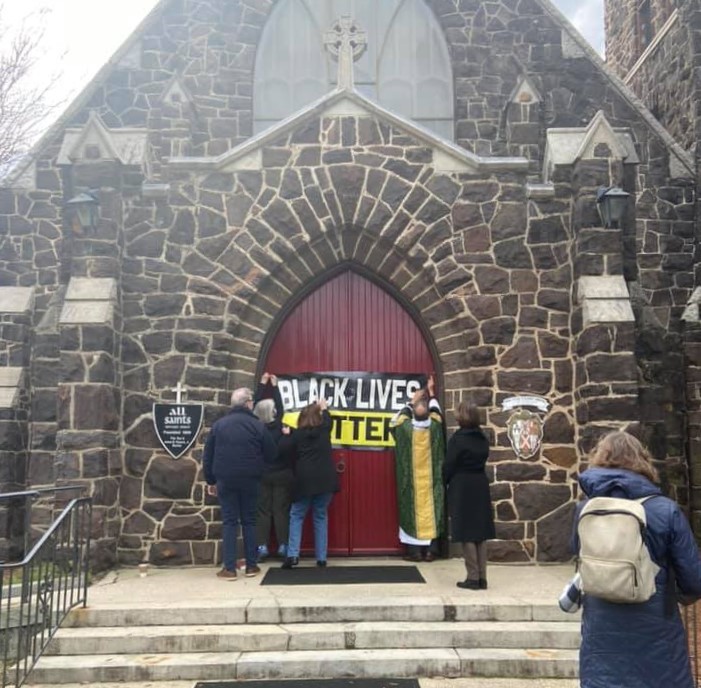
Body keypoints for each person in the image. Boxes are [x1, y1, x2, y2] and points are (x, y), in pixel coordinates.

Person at [573, 430, 701, 688]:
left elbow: (579, 560)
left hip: (602, 639)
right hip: (658, 640)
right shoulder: (666, 510)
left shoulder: (584, 510)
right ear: (642, 460)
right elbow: (694, 582)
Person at [203, 387, 276, 580]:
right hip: (251, 479)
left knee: (229, 522)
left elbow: (208, 455)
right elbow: (271, 453)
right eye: (251, 400)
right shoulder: (258, 426)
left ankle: (229, 569)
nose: (253, 403)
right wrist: (260, 470)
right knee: (249, 521)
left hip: (225, 479)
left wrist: (211, 480)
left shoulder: (219, 425)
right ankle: (251, 566)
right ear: (247, 404)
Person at [390, 375, 445, 562]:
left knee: (411, 512)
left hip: (411, 481)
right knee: (432, 511)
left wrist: (411, 401)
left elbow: (395, 421)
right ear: (428, 413)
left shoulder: (405, 429)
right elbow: (437, 412)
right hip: (431, 482)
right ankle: (431, 551)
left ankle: (414, 552)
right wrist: (431, 392)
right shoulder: (435, 427)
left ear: (413, 412)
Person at [443, 399, 495, 590]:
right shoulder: (483, 437)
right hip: (480, 484)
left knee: (467, 532)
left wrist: (445, 480)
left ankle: (472, 577)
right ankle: (482, 577)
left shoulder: (458, 439)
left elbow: (449, 464)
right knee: (480, 533)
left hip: (462, 485)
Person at [281, 398, 339, 569]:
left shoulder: (296, 435)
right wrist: (324, 407)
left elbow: (287, 454)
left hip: (304, 481)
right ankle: (321, 558)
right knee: (320, 516)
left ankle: (292, 556)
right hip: (325, 480)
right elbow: (329, 420)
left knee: (297, 516)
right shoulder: (324, 430)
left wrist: (286, 435)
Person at [253, 372, 295, 561]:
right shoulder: (281, 428)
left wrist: (262, 386)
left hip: (262, 474)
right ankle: (283, 545)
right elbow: (281, 407)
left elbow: (252, 407)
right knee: (281, 510)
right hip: (282, 475)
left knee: (263, 511)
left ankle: (261, 546)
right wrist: (275, 386)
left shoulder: (256, 429)